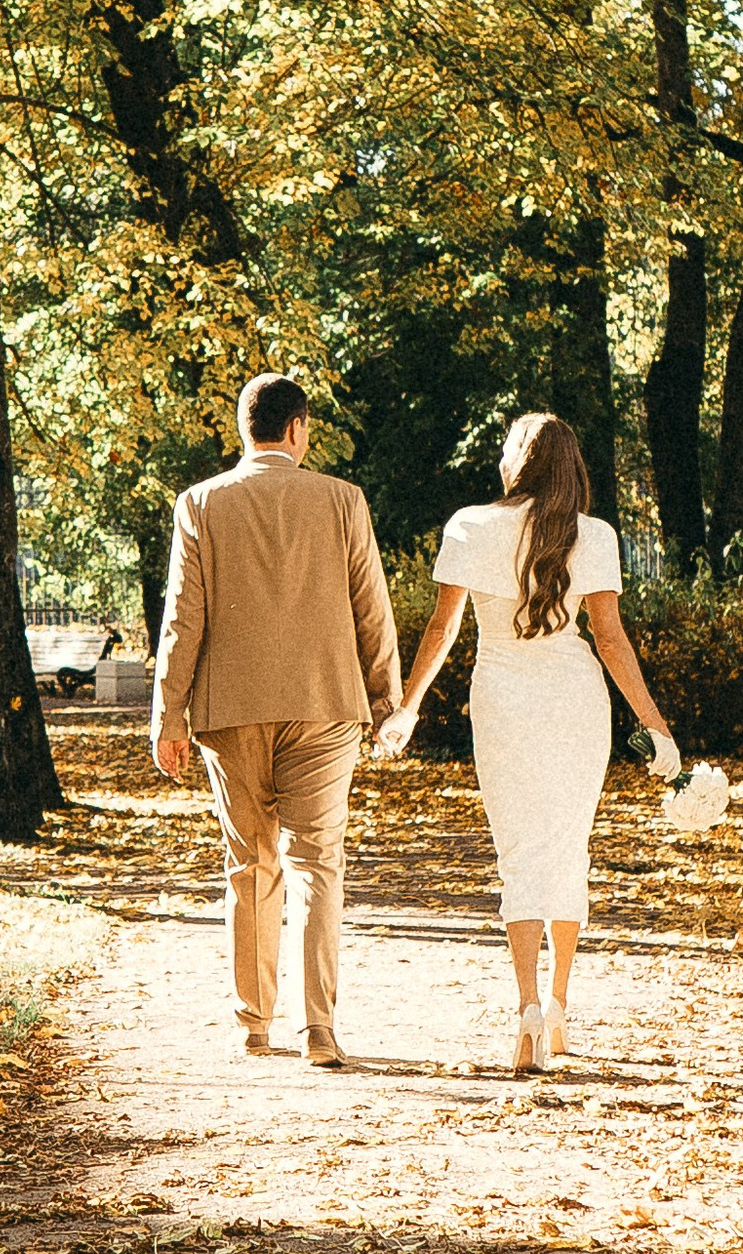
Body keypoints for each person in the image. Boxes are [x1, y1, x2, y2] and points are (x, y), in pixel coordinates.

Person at [378, 411, 678, 1076]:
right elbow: (610, 640)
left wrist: (408, 708)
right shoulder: (594, 536)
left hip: (503, 700)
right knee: (568, 847)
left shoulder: (469, 525)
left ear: (520, 460)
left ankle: (525, 1012)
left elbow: (443, 627)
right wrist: (655, 727)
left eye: (508, 445)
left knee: (519, 853)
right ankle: (561, 1006)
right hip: (577, 703)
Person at [152, 373, 401, 1066]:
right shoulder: (343, 500)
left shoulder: (200, 503)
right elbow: (371, 610)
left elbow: (183, 618)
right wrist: (387, 705)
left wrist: (168, 715)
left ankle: (252, 1022)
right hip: (325, 705)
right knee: (318, 862)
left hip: (230, 708)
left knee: (250, 863)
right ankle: (317, 1028)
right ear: (299, 430)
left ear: (245, 429)